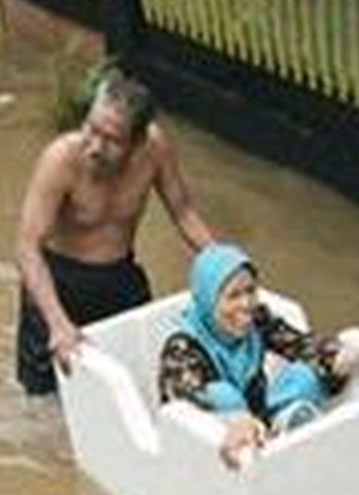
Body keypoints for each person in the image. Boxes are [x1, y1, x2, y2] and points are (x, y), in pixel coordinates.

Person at [15, 67, 215, 395]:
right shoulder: (60, 159)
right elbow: (27, 247)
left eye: (110, 140)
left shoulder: (154, 150)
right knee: (44, 403)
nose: (94, 146)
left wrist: (224, 264)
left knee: (147, 380)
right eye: (90, 129)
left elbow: (183, 212)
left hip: (119, 280)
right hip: (56, 285)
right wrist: (57, 323)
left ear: (137, 142)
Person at [158, 243, 359, 469]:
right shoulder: (181, 347)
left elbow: (304, 346)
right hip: (213, 433)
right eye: (232, 296)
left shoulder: (257, 319)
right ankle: (274, 433)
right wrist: (237, 418)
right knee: (227, 395)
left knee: (305, 374)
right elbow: (198, 390)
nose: (246, 304)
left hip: (255, 417)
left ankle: (281, 427)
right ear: (207, 300)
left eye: (250, 291)